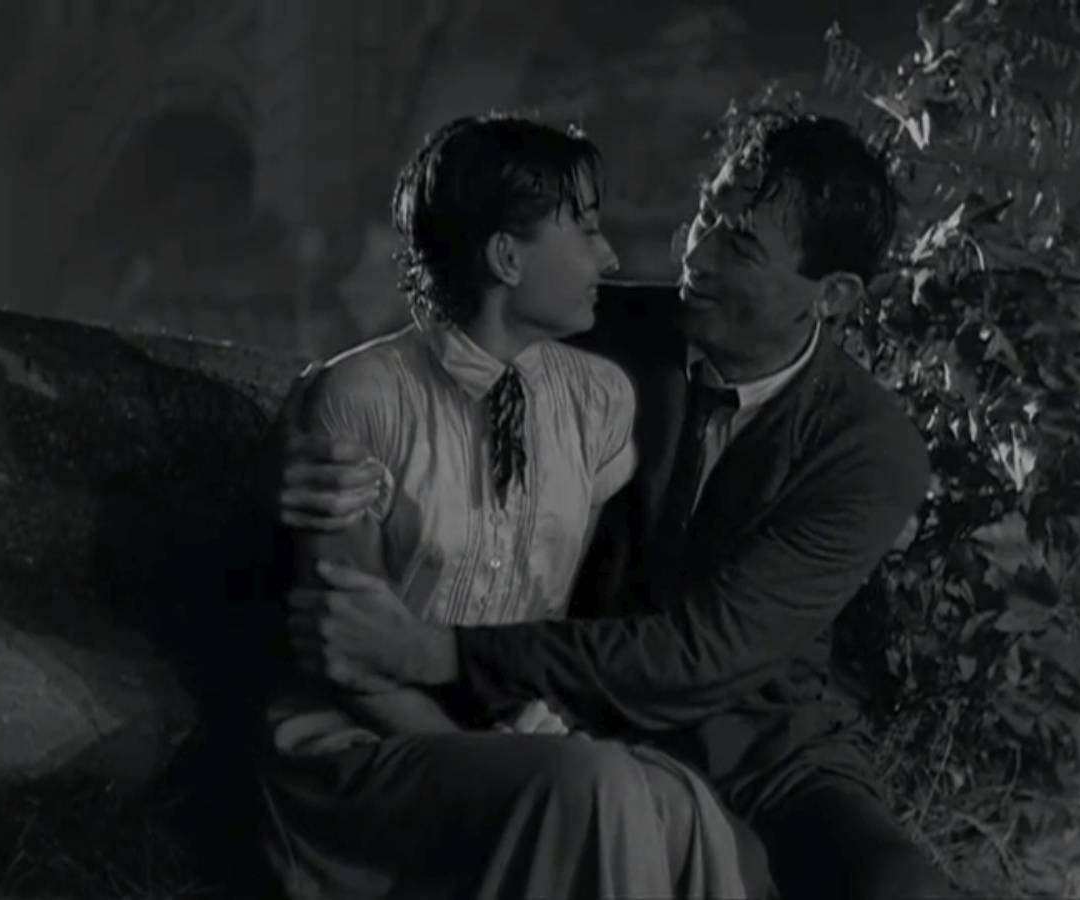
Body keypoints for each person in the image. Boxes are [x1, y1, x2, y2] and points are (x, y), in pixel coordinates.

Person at [278, 110, 955, 900]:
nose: (695, 254)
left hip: (762, 747)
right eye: (707, 214)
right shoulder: (602, 332)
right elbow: (417, 369)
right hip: (576, 710)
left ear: (831, 295)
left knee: (900, 889)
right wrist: (297, 448)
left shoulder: (868, 448)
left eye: (740, 245)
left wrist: (447, 652)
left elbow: (705, 652)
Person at [259, 113, 753, 900]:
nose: (610, 257)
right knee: (590, 784)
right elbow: (348, 661)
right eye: (585, 230)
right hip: (371, 741)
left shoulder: (598, 400)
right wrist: (490, 747)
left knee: (678, 803)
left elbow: (582, 602)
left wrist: (533, 722)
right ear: (506, 256)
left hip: (515, 724)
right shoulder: (363, 398)